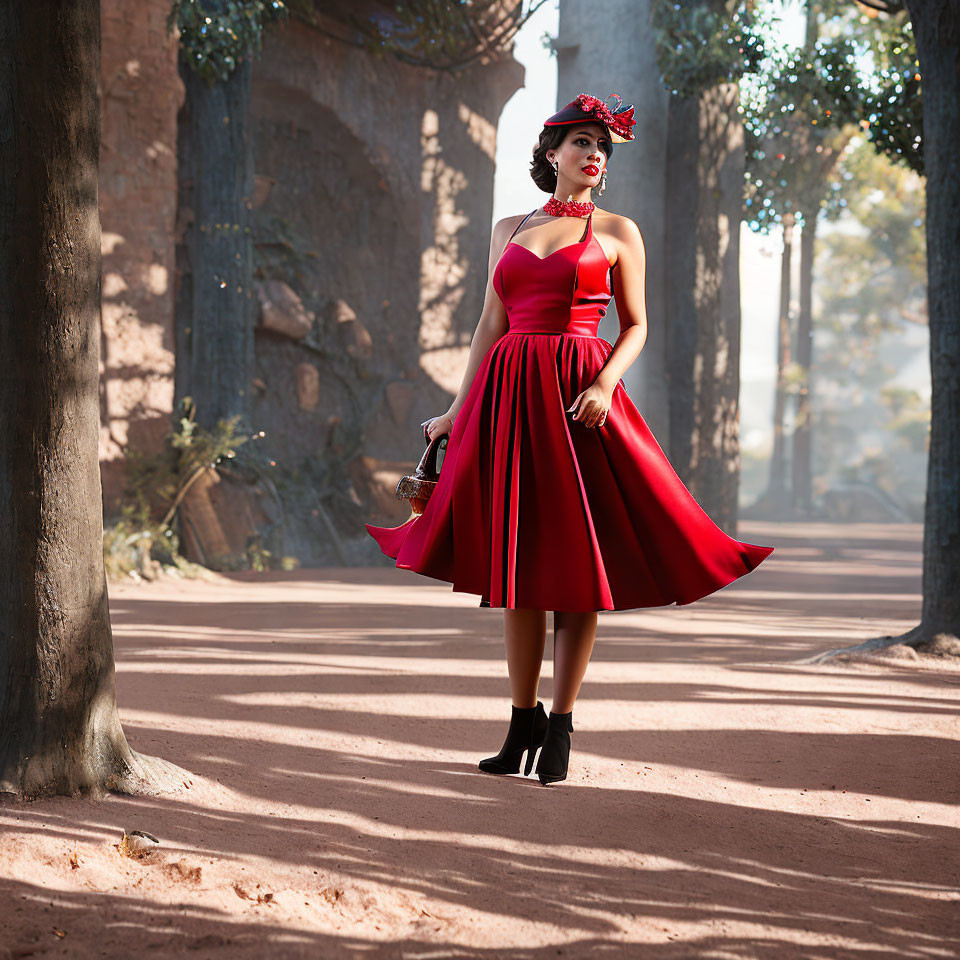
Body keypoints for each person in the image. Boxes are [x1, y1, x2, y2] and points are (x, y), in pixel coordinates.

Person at [366, 93, 774, 786]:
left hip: (579, 399)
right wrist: (457, 409)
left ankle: (561, 727)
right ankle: (520, 723)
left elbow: (636, 325)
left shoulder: (619, 232)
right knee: (516, 569)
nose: (594, 155)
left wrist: (606, 384)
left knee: (577, 568)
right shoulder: (507, 228)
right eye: (582, 142)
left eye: (603, 147)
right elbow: (489, 324)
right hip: (507, 394)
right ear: (551, 153)